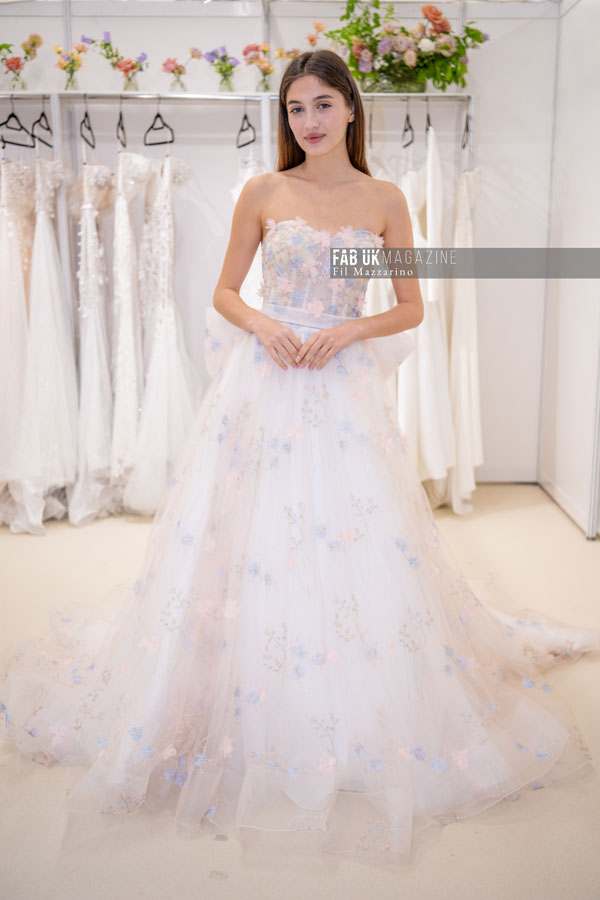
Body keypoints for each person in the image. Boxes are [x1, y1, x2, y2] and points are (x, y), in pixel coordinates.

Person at [1, 49, 599, 862]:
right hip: (266, 378)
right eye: (295, 108)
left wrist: (350, 328)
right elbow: (223, 292)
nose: (308, 121)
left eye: (322, 105)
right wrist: (263, 323)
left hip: (339, 385)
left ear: (350, 108)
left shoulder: (384, 199)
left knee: (352, 540)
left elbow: (412, 307)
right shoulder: (263, 191)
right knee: (244, 537)